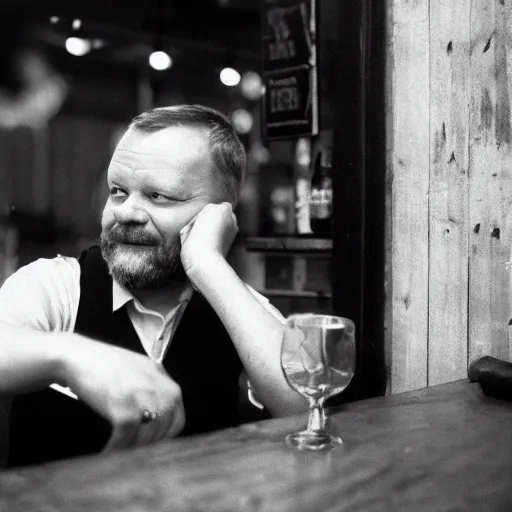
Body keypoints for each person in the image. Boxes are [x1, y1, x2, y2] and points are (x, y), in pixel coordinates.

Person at [0, 105, 306, 467]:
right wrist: (66, 355)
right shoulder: (58, 284)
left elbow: (305, 408)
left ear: (218, 214)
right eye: (118, 191)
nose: (126, 212)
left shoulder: (237, 304)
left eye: (159, 195)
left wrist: (207, 264)